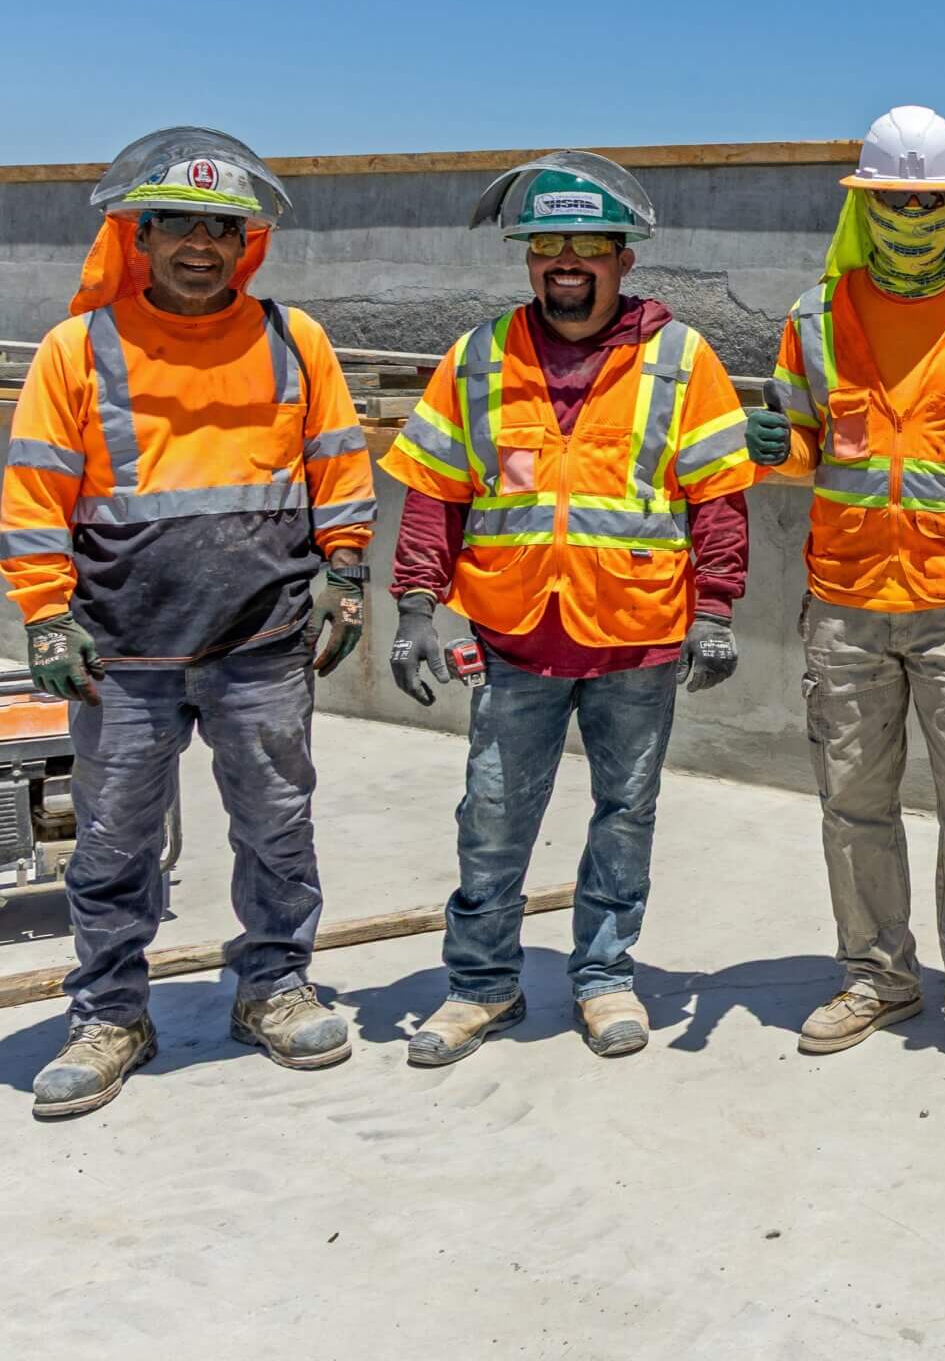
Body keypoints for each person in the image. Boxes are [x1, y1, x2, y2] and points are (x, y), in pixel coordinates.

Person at [5, 128, 376, 1118]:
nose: (200, 246)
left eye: (221, 229)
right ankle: (110, 1014)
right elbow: (34, 495)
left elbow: (339, 466)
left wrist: (346, 573)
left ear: (247, 243)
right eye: (178, 225)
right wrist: (46, 618)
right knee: (113, 841)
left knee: (278, 827)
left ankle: (274, 986)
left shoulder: (294, 341)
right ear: (140, 237)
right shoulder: (77, 349)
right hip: (121, 648)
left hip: (261, 640)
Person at [381, 152, 755, 1066]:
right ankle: (481, 986)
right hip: (515, 640)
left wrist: (715, 610)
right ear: (528, 258)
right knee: (493, 818)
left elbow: (718, 495)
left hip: (638, 637)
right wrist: (416, 606)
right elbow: (434, 491)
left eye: (588, 245)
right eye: (548, 245)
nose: (566, 262)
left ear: (624, 258)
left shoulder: (681, 359)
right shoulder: (479, 357)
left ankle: (604, 977)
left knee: (624, 816)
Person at [743, 105, 945, 1087]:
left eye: (929, 202)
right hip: (845, 601)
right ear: (864, 206)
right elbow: (802, 446)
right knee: (853, 805)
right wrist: (775, 449)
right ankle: (877, 976)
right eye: (894, 200)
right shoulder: (815, 317)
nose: (912, 216)